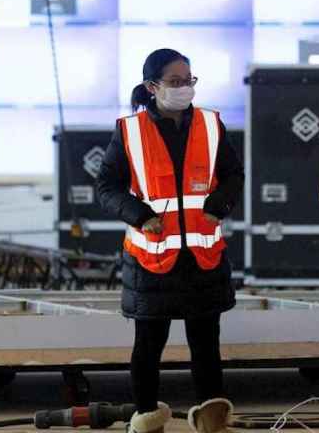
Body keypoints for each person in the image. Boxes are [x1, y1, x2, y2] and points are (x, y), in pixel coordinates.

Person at [96, 48, 243, 433]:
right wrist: (140, 216)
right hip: (152, 260)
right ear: (152, 86)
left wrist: (219, 204)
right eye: (175, 82)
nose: (184, 89)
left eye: (189, 81)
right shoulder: (129, 131)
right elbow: (107, 187)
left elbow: (233, 174)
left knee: (206, 347)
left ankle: (212, 419)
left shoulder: (211, 125)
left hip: (202, 257)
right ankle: (147, 418)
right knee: (148, 346)